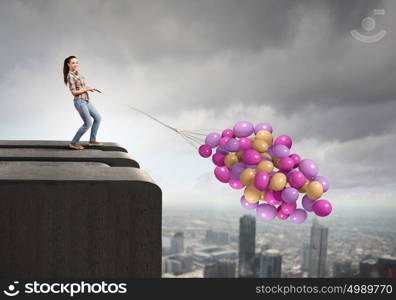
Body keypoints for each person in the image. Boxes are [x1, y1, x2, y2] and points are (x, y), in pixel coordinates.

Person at [63, 55, 103, 150]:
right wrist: (86, 89)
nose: (75, 64)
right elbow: (74, 92)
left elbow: (82, 87)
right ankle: (74, 143)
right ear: (68, 64)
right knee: (88, 123)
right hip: (80, 102)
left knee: (98, 118)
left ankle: (92, 141)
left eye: (77, 62)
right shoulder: (70, 76)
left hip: (86, 100)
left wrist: (91, 88)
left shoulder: (78, 74)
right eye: (73, 63)